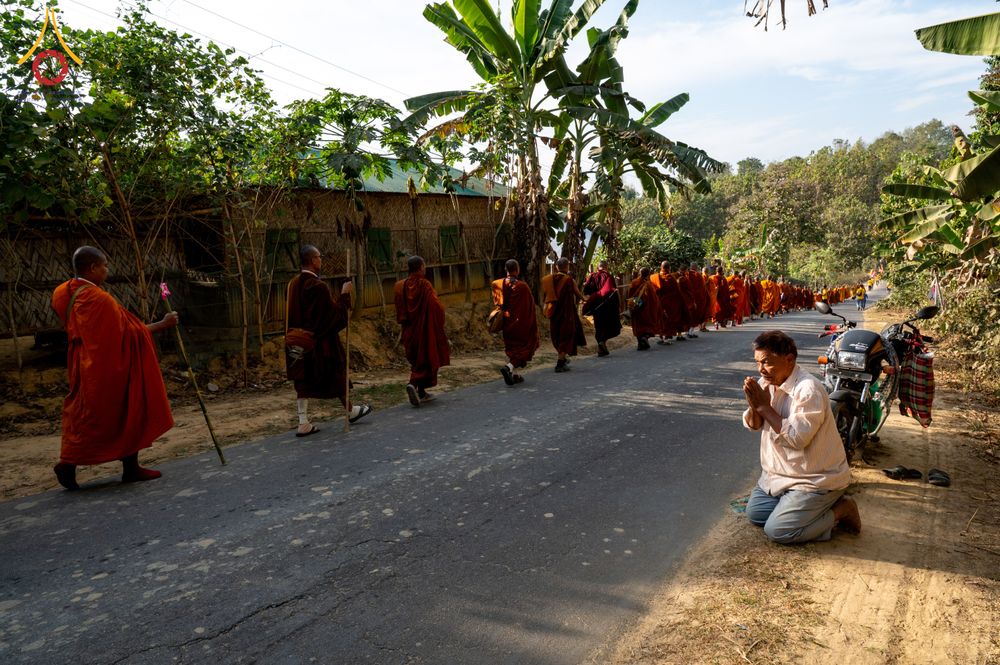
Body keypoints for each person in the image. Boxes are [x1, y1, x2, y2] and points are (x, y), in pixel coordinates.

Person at [50, 246, 178, 490]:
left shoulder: (61, 292)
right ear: (93, 268)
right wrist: (163, 324)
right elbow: (126, 334)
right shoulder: (99, 299)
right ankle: (117, 467)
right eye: (104, 265)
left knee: (82, 412)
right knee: (125, 407)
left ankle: (74, 463)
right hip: (106, 364)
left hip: (80, 361)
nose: (107, 270)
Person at [742, 331, 862, 544]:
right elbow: (753, 425)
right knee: (756, 515)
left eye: (767, 362)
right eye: (758, 362)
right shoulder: (765, 382)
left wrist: (763, 406)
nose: (761, 369)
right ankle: (794, 507)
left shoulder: (808, 389)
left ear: (789, 359)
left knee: (778, 531)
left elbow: (797, 439)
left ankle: (842, 509)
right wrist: (754, 405)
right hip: (778, 476)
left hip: (813, 479)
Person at [286, 245, 372, 436]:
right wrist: (344, 295)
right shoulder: (318, 286)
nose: (321, 260)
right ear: (313, 260)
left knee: (302, 380)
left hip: (296, 340)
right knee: (337, 374)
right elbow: (332, 318)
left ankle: (303, 421)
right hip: (319, 342)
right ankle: (350, 411)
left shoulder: (292, 284)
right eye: (319, 257)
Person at [394, 255, 450, 407]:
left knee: (418, 359)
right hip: (424, 330)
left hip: (409, 331)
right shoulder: (424, 285)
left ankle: (422, 392)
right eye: (424, 266)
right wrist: (440, 318)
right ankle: (413, 384)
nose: (425, 269)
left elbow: (400, 311)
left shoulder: (400, 285)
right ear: (419, 268)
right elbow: (436, 306)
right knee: (427, 357)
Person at [492, 259, 539, 385]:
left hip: (507, 323)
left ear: (505, 270)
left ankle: (514, 374)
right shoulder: (522, 287)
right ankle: (508, 368)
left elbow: (498, 304)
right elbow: (530, 307)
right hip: (520, 324)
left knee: (513, 348)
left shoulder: (497, 284)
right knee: (526, 347)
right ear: (517, 270)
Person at [541, 258, 586, 372]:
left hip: (553, 312)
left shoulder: (548, 279)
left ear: (556, 267)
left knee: (557, 335)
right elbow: (577, 293)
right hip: (566, 313)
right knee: (566, 335)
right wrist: (584, 299)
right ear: (567, 267)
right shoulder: (569, 280)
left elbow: (545, 295)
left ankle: (562, 358)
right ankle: (560, 363)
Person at [582, 260, 621, 357]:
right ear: (606, 267)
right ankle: (602, 342)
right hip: (607, 306)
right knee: (608, 325)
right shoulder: (608, 276)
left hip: (596, 306)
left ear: (598, 267)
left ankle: (601, 348)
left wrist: (592, 298)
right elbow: (612, 291)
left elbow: (586, 290)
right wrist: (617, 305)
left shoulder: (592, 276)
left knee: (598, 326)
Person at [627, 266, 664, 350]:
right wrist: (656, 309)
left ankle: (640, 344)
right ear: (648, 275)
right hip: (646, 310)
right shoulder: (649, 285)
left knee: (638, 326)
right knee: (647, 327)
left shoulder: (634, 282)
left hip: (636, 308)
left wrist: (631, 306)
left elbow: (629, 295)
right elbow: (654, 299)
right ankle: (645, 337)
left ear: (640, 273)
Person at [649, 262, 683, 345]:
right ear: (669, 268)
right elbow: (677, 291)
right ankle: (667, 338)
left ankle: (661, 337)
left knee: (660, 319)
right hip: (670, 304)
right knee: (668, 320)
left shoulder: (654, 277)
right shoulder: (671, 278)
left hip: (658, 302)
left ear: (661, 267)